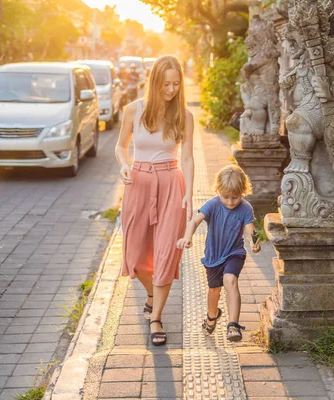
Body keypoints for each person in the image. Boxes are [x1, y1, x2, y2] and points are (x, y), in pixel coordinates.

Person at [115, 55, 194, 346]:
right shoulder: (133, 110)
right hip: (137, 183)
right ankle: (151, 295)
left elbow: (186, 156)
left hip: (171, 183)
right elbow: (121, 146)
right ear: (154, 82)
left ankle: (156, 317)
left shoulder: (184, 115)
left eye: (176, 84)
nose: (171, 90)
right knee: (134, 257)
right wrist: (124, 164)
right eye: (166, 83)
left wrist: (190, 193)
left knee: (165, 254)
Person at [176, 165, 261, 342]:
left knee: (230, 280)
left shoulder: (245, 208)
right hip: (213, 256)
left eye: (235, 198)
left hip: (234, 253)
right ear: (218, 191)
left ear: (243, 192)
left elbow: (250, 230)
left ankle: (233, 326)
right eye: (226, 197)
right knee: (214, 290)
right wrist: (187, 237)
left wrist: (254, 243)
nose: (230, 202)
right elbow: (194, 221)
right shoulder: (213, 204)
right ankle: (212, 316)